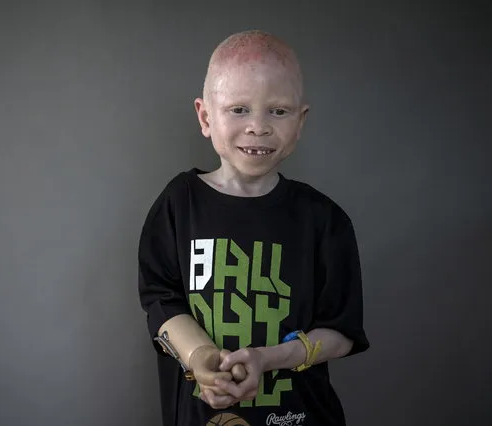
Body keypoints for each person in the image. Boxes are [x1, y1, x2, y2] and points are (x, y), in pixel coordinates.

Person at [138, 29, 369, 426]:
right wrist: (201, 357)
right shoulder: (179, 204)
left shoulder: (324, 219)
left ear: (300, 121)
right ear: (205, 117)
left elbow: (340, 331)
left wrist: (268, 358)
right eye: (239, 109)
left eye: (277, 111)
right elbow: (161, 300)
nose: (258, 127)